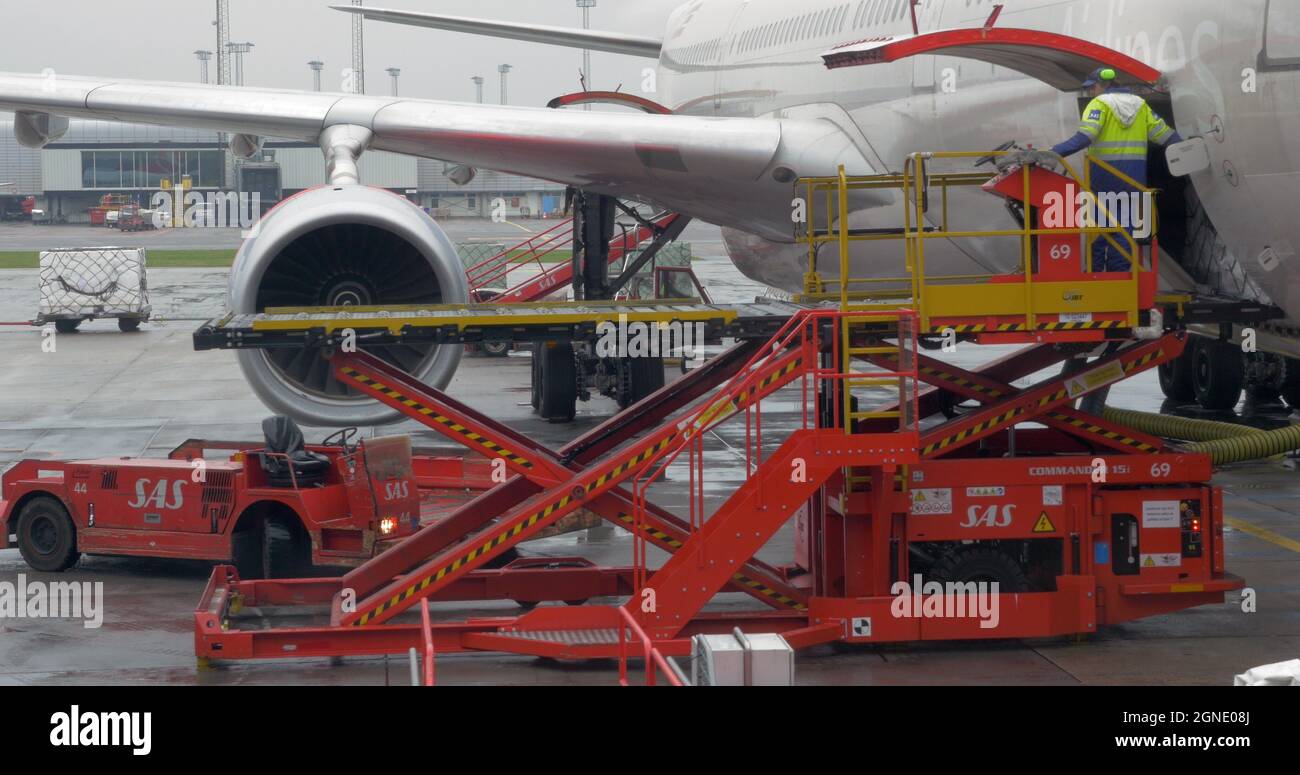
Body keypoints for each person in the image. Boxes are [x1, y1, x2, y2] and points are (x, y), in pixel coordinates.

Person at [1051, 67, 1182, 271]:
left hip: (1104, 177)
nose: (1090, 93)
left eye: (1091, 88)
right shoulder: (1141, 106)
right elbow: (1167, 137)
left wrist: (1053, 152)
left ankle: (1094, 275)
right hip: (1133, 178)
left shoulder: (1099, 104)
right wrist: (1190, 149)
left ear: (1100, 86)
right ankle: (1119, 275)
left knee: (1099, 226)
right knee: (1125, 227)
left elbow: (1085, 137)